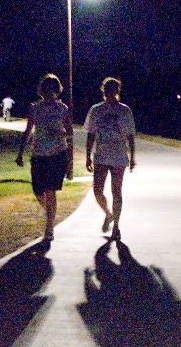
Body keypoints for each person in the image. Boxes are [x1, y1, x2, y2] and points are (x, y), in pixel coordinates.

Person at [16, 74, 73, 242]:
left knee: (50, 190)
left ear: (57, 90)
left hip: (57, 154)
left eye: (52, 88)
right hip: (39, 155)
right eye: (46, 88)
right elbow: (28, 131)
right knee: (38, 191)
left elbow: (70, 133)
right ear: (41, 90)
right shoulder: (35, 108)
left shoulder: (62, 108)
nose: (49, 91)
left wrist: (60, 136)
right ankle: (51, 213)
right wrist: (20, 153)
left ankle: (49, 229)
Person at [84, 76, 136, 241]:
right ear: (103, 91)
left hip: (119, 156)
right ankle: (108, 213)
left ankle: (116, 227)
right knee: (97, 191)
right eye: (107, 90)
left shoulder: (124, 110)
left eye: (113, 90)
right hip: (101, 156)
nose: (110, 93)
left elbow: (130, 136)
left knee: (116, 192)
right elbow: (91, 134)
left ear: (117, 91)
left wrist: (132, 157)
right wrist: (87, 156)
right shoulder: (96, 110)